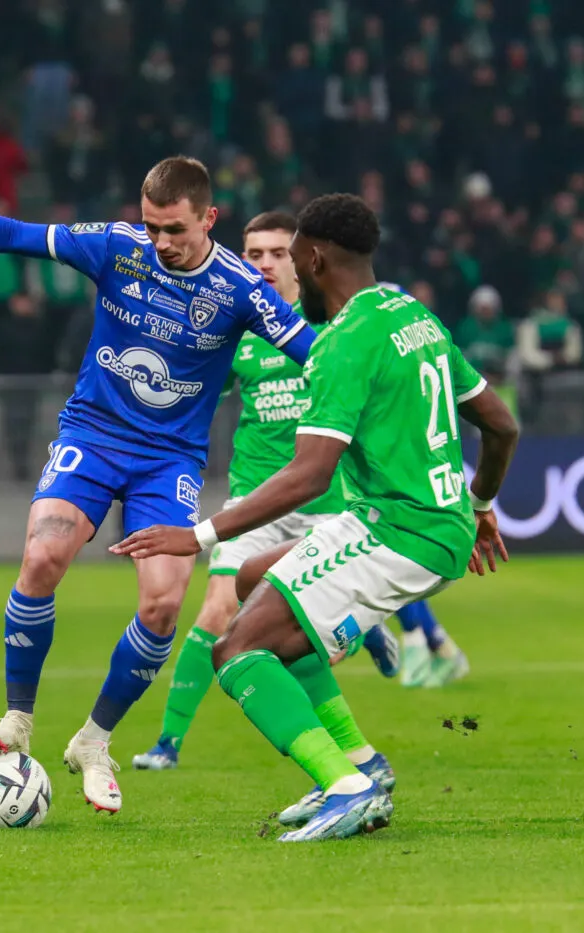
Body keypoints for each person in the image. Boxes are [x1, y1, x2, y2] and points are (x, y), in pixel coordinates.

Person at [0, 155, 314, 813]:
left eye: (174, 229)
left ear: (209, 218)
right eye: (152, 227)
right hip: (93, 435)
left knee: (162, 606)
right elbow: (16, 235)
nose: (161, 243)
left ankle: (94, 740)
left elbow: (315, 355)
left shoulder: (240, 288)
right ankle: (18, 719)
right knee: (42, 555)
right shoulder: (119, 248)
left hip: (168, 460)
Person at [113, 194, 519, 842]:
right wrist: (481, 504)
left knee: (237, 649)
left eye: (293, 257)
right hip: (418, 519)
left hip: (399, 531)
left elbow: (309, 475)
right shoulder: (413, 313)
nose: (289, 273)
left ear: (315, 256)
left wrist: (197, 534)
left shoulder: (342, 344)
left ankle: (347, 785)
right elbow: (500, 426)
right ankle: (362, 761)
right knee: (250, 579)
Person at [131, 212, 437, 775]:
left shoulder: (334, 331)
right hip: (257, 497)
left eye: (276, 253)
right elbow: (189, 394)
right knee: (220, 610)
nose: (265, 264)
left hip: (328, 504)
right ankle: (168, 743)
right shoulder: (240, 331)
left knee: (279, 626)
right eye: (253, 254)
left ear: (303, 260)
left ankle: (351, 751)